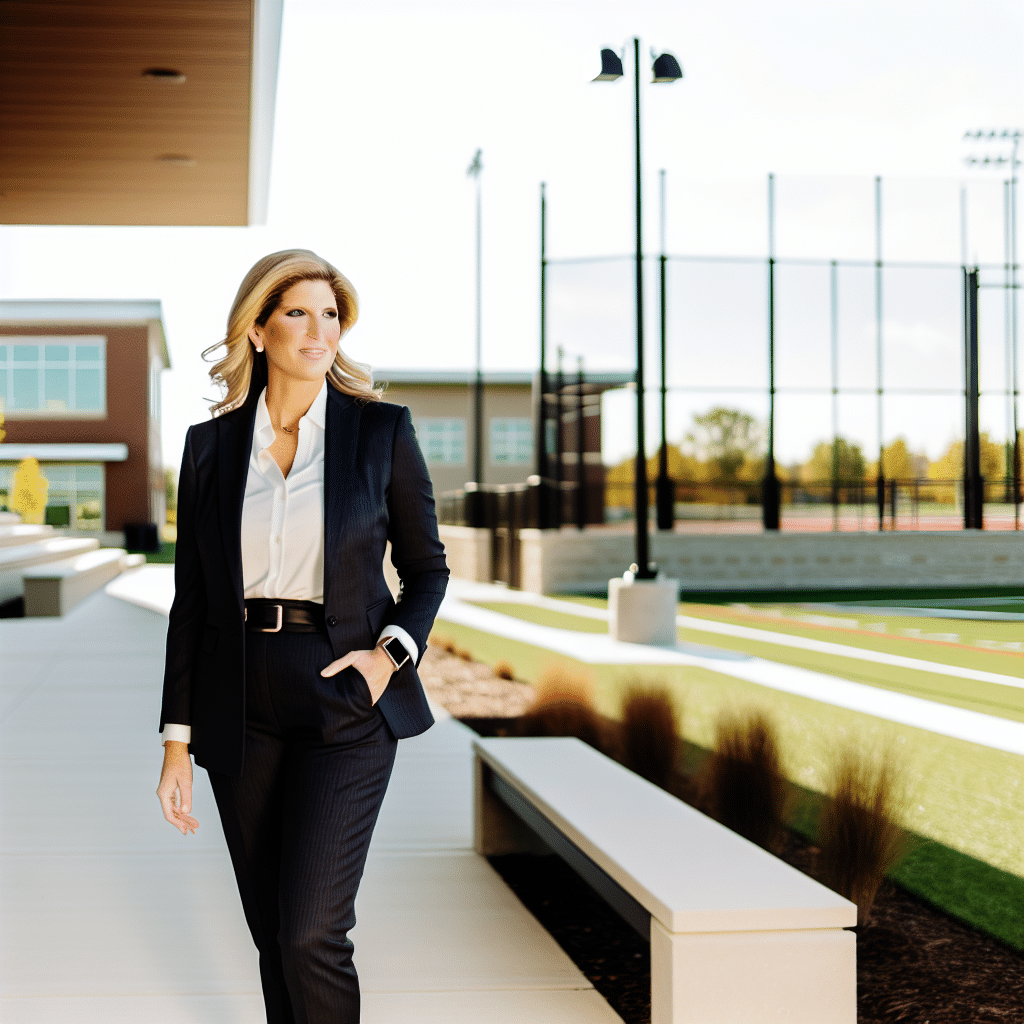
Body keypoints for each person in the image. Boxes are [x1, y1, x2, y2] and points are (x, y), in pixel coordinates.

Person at [156, 249, 448, 1024]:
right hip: (238, 695)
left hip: (344, 694)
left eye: (330, 314)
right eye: (298, 313)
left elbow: (426, 569)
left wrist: (387, 658)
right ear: (257, 328)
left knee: (311, 930)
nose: (319, 331)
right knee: (272, 935)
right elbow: (192, 602)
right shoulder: (211, 448)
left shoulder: (380, 432)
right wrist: (176, 742)